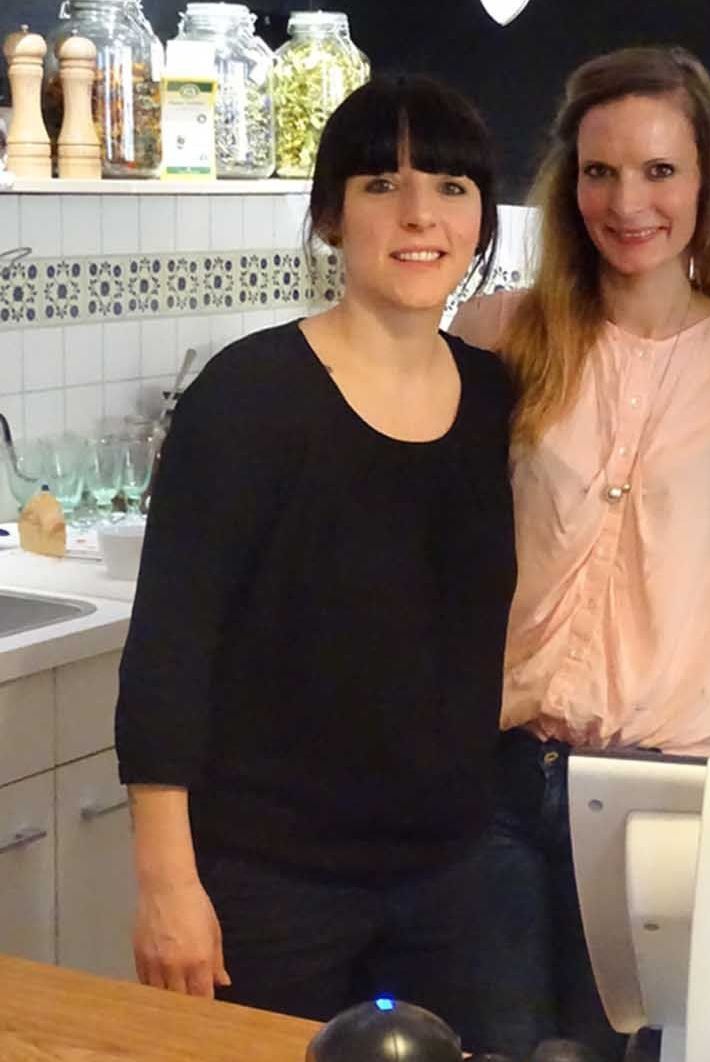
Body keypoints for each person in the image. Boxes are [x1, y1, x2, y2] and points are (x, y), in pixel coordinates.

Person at [114, 75, 515, 1044]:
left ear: (481, 219)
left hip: (454, 881)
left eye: (452, 187)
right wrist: (169, 887)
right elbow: (167, 659)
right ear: (332, 216)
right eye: (383, 184)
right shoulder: (248, 400)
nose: (421, 213)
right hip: (271, 889)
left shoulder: (498, 400)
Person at [452, 46, 710, 1060]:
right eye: (600, 171)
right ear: (567, 181)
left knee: (611, 1052)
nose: (626, 201)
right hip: (494, 769)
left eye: (658, 171)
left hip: (656, 791)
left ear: (706, 179)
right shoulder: (496, 333)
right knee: (496, 1047)